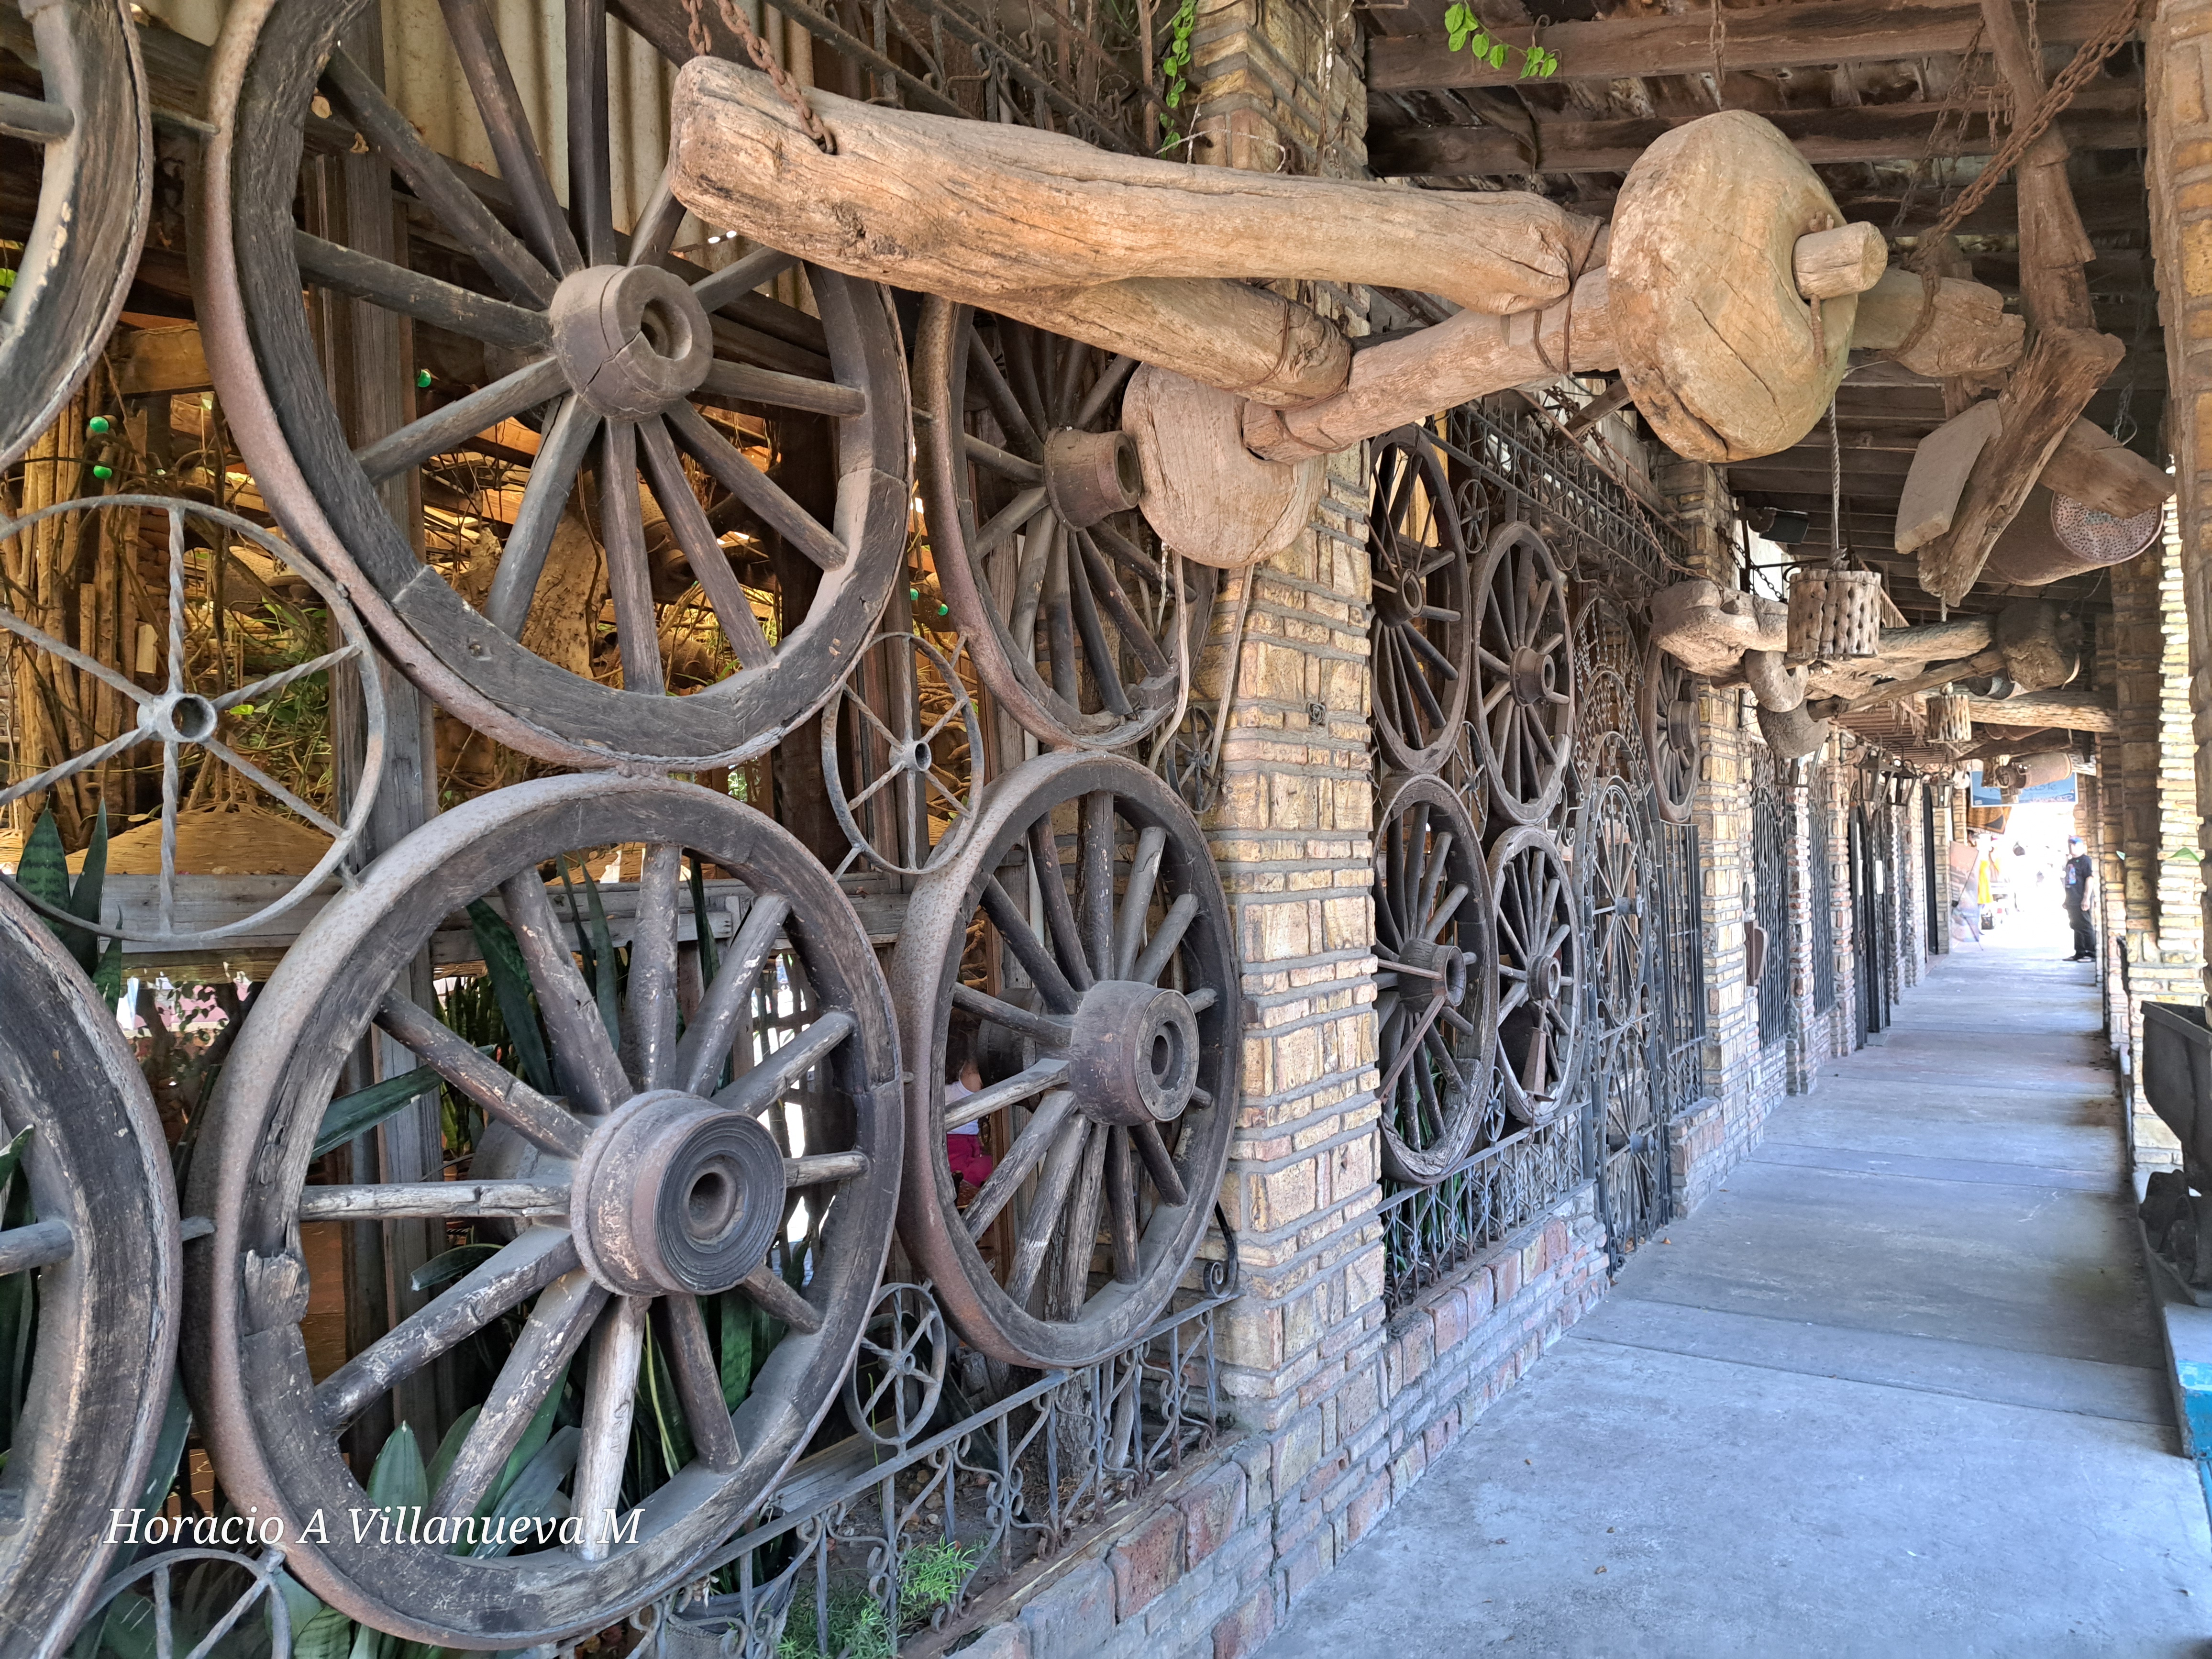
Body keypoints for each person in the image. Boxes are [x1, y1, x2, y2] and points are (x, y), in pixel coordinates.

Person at [2062, 836, 2095, 962]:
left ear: (2081, 846)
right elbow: (2070, 882)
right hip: (2072, 899)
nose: (2072, 847)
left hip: (2081, 898)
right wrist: (2067, 900)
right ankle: (2080, 952)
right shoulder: (2070, 862)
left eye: (2075, 845)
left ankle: (2091, 953)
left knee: (2086, 926)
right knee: (2076, 926)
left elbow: (2089, 879)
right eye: (2070, 845)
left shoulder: (2085, 860)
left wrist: (2086, 898)